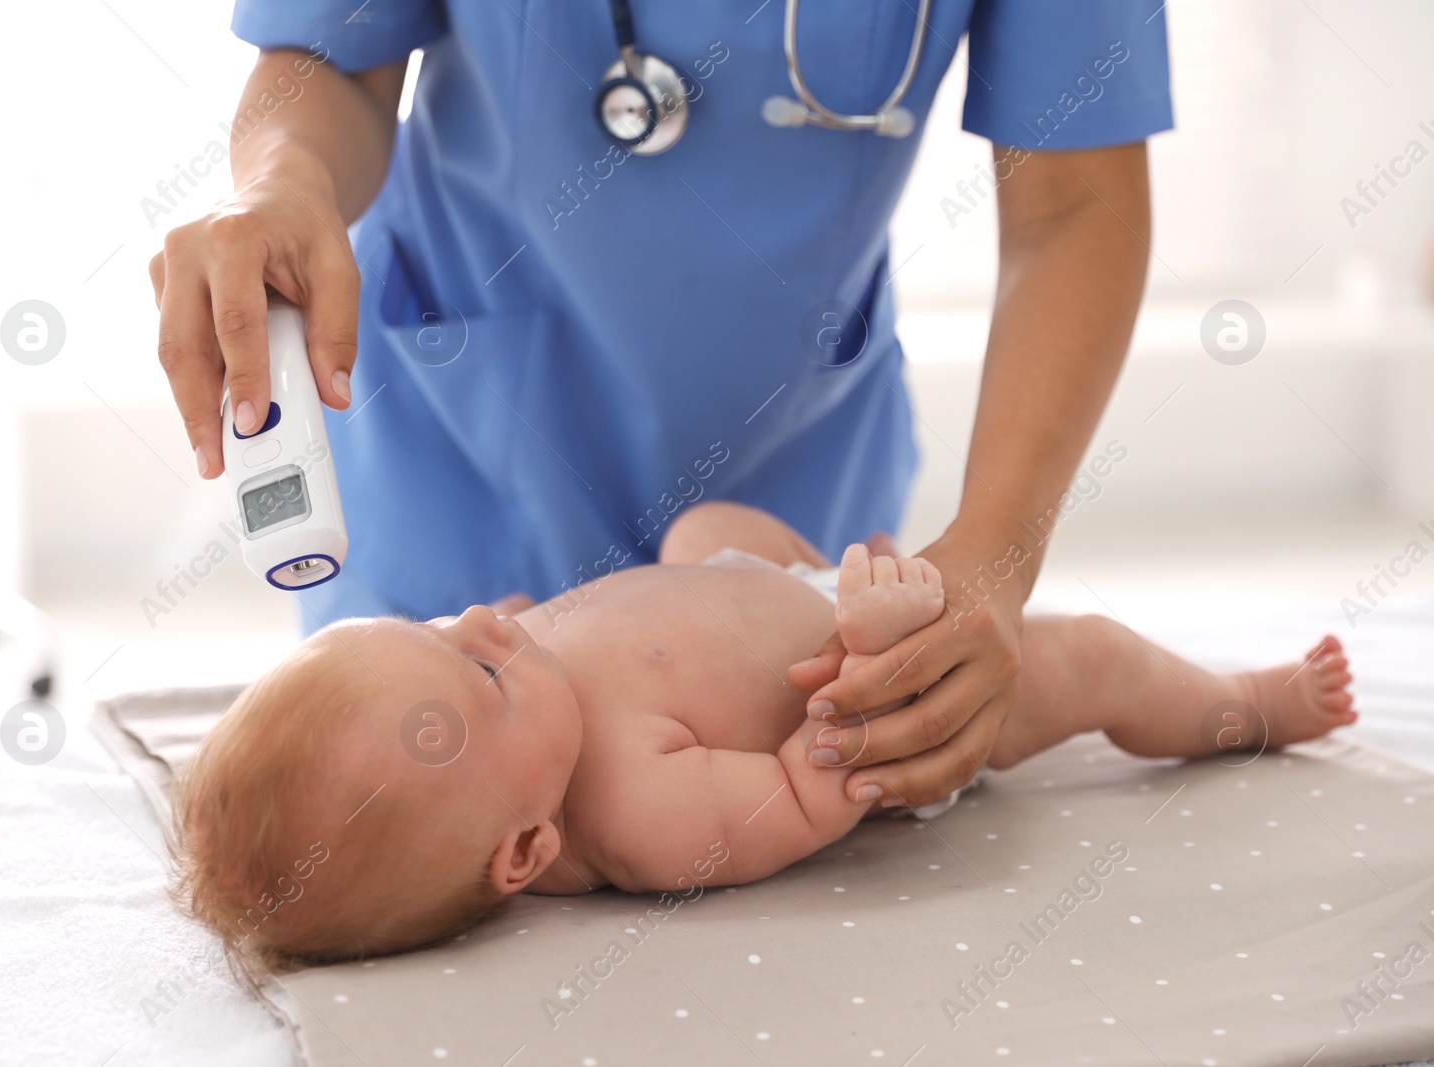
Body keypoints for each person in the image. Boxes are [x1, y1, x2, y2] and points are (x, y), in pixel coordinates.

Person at [149, 1, 1174, 816]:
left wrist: (993, 555)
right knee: (395, 841)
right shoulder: (458, 650)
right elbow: (333, 56)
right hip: (451, 477)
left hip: (783, 510)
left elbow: (1072, 199)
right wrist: (281, 180)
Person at [170, 502, 1355, 971]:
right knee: (1087, 653)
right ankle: (1246, 705)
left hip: (763, 582)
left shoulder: (526, 724)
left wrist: (515, 652)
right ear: (525, 849)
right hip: (900, 689)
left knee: (700, 525)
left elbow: (567, 626)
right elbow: (810, 788)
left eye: (437, 628)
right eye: (477, 665)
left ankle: (787, 557)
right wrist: (865, 651)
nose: (485, 616)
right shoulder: (637, 811)